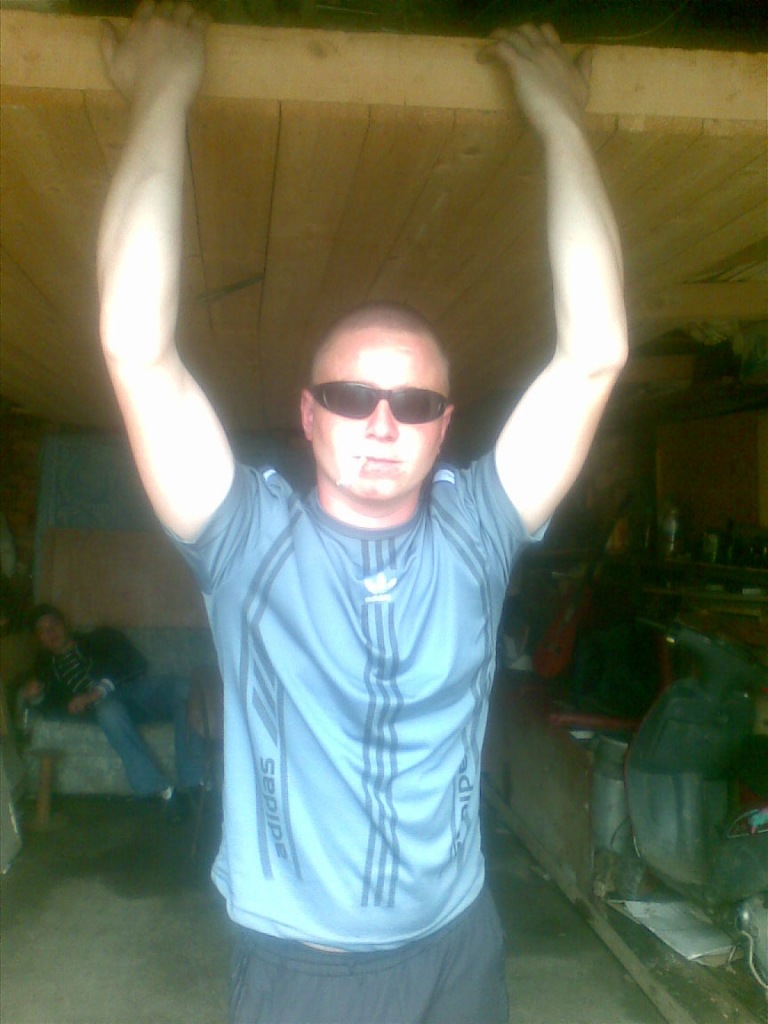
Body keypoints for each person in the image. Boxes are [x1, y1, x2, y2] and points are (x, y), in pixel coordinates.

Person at [96, 4, 627, 1022]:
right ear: (308, 413)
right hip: (307, 972)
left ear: (443, 426)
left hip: (462, 945)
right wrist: (162, 89)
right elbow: (135, 346)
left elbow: (595, 353)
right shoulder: (245, 539)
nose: (383, 422)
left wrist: (563, 120)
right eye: (351, 396)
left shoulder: (478, 530)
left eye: (414, 403)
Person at [21, 603, 203, 818]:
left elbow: (132, 662)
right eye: (43, 630)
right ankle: (162, 792)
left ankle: (194, 783)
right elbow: (50, 710)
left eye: (54, 624)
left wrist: (97, 691)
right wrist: (36, 697)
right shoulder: (44, 669)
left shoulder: (100, 638)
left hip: (134, 690)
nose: (51, 631)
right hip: (108, 710)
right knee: (108, 711)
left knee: (185, 688)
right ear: (38, 639)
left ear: (65, 624)